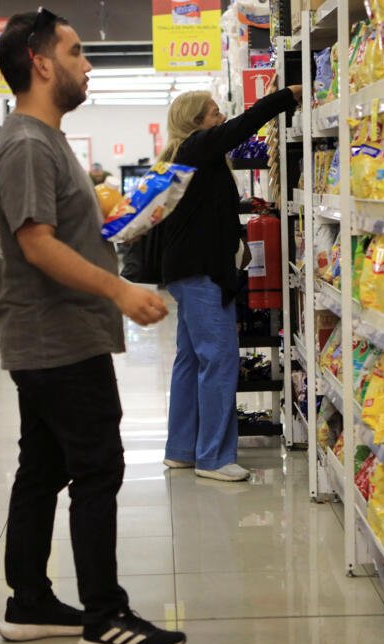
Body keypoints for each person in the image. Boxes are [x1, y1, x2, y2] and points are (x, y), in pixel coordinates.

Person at [0, 10, 185, 644]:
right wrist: (120, 290)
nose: (87, 62)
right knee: (98, 467)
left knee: (43, 468)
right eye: (75, 52)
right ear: (41, 63)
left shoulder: (45, 139)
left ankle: (30, 603)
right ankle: (105, 616)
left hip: (57, 336)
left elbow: (57, 234)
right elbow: (37, 246)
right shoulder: (26, 143)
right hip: (58, 338)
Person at [157, 85, 302, 482]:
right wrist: (285, 96)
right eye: (214, 113)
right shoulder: (196, 148)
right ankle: (215, 457)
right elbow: (242, 127)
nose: (221, 118)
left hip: (188, 270)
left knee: (190, 360)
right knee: (220, 359)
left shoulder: (186, 157)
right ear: (196, 123)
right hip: (201, 272)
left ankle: (182, 449)